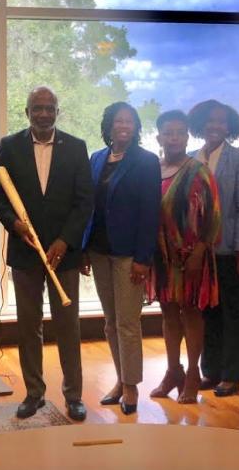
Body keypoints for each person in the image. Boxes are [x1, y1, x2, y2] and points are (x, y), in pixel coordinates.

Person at [0, 86, 93, 422]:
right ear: (27, 112)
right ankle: (34, 393)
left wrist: (65, 241)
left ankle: (74, 395)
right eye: (38, 108)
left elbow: (84, 202)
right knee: (28, 326)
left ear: (58, 112)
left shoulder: (76, 148)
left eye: (50, 108)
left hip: (63, 254)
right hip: (26, 252)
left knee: (68, 326)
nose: (44, 113)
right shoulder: (10, 146)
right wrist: (15, 226)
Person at [82, 102, 160, 414]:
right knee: (110, 324)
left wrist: (143, 257)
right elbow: (89, 207)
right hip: (99, 251)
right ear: (109, 126)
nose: (123, 125)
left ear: (136, 126)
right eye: (118, 121)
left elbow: (150, 213)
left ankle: (131, 388)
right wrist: (84, 249)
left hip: (130, 255)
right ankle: (120, 378)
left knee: (128, 323)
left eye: (129, 121)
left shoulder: (146, 161)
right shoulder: (97, 159)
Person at [149, 110, 220, 405]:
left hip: (193, 255)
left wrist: (200, 252)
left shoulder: (199, 170)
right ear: (159, 137)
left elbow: (214, 217)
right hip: (162, 256)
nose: (174, 137)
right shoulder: (153, 170)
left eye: (180, 132)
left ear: (187, 136)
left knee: (191, 313)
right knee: (167, 313)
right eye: (169, 132)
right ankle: (173, 371)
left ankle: (192, 374)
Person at [188, 99, 239, 397]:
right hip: (198, 251)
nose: (214, 126)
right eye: (209, 121)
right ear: (200, 125)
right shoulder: (191, 158)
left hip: (229, 249)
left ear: (229, 127)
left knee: (233, 312)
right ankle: (211, 370)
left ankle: (233, 373)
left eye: (221, 121)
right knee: (208, 311)